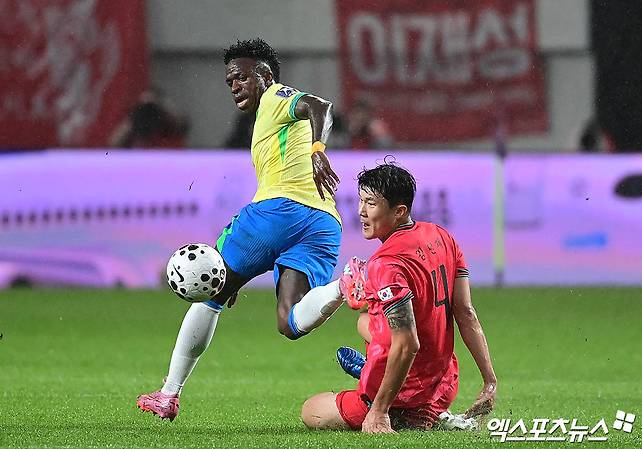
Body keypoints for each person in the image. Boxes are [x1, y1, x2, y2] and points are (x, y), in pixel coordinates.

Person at [137, 38, 364, 421]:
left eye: (241, 77)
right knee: (290, 321)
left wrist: (318, 151)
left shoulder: (276, 97)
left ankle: (168, 393)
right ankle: (347, 284)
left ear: (264, 74)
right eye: (230, 81)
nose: (235, 86)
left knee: (210, 293)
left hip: (279, 211)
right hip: (324, 223)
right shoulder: (266, 119)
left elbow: (320, 106)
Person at [300, 162, 498, 433]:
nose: (361, 211)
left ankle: (394, 408)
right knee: (365, 320)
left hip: (406, 389)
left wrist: (378, 412)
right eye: (361, 201)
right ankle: (429, 411)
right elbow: (466, 313)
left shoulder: (385, 263)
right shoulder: (443, 237)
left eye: (371, 203)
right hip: (442, 383)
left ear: (399, 211)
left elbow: (408, 343)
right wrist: (489, 381)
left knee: (311, 410)